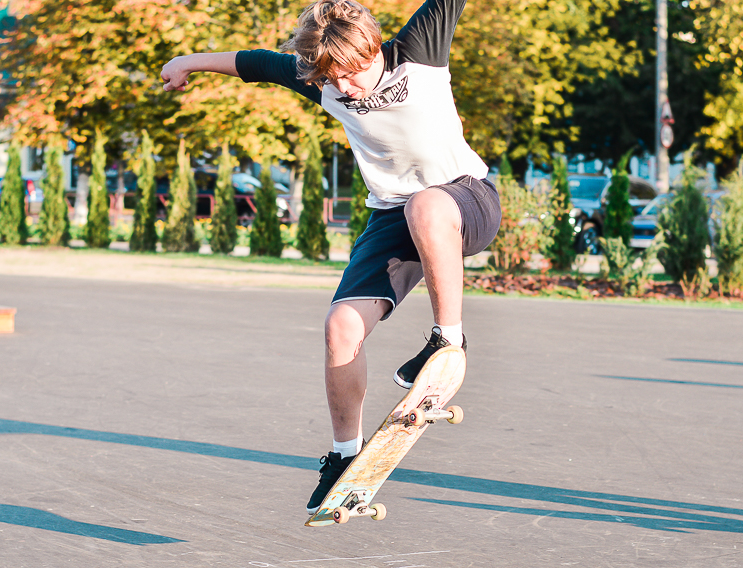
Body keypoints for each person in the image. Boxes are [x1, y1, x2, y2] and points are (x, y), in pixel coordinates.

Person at [161, 0, 501, 514]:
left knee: (427, 203)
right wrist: (188, 61)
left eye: (351, 74)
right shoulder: (317, 76)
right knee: (341, 325)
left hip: (465, 199)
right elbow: (253, 63)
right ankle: (346, 455)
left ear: (370, 48)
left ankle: (447, 340)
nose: (344, 89)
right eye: (331, 80)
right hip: (393, 217)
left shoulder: (418, 48)